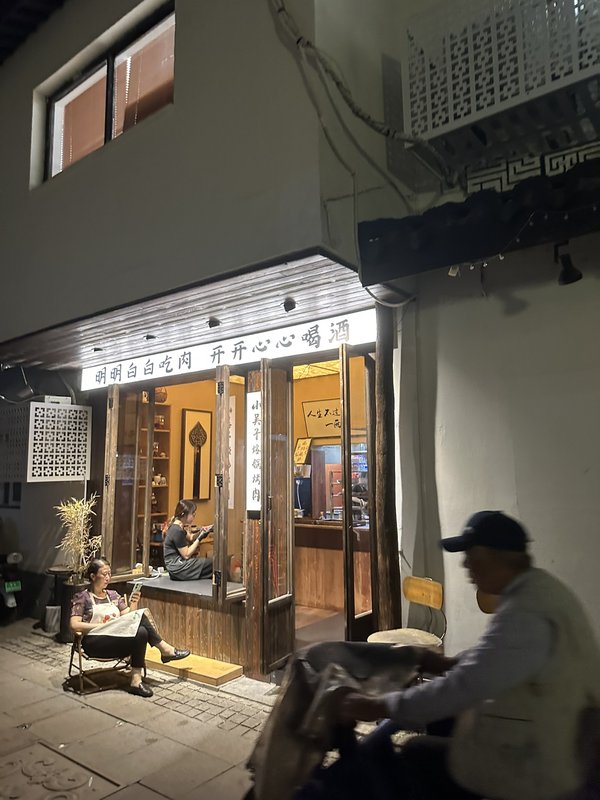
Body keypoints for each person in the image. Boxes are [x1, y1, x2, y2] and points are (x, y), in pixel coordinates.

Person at [327, 511, 600, 800]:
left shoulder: (525, 614)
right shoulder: (537, 589)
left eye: (473, 556)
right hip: (548, 731)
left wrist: (377, 706)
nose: (465, 564)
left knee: (415, 751)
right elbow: (497, 657)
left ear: (498, 557)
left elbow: (466, 686)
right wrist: (449, 663)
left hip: (541, 761)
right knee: (441, 720)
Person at [70, 558, 190, 697]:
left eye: (109, 574)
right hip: (95, 643)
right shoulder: (83, 597)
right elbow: (74, 624)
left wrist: (134, 603)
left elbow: (130, 617)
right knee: (140, 622)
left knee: (141, 631)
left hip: (116, 640)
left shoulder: (113, 595)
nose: (108, 577)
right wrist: (102, 626)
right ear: (93, 576)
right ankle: (165, 650)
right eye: (104, 574)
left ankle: (136, 681)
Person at [163, 499, 213, 581]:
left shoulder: (178, 526)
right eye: (192, 514)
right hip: (178, 567)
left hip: (177, 567)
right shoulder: (176, 530)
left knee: (209, 564)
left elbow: (191, 537)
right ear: (184, 514)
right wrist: (200, 538)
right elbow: (186, 555)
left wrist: (204, 531)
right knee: (212, 564)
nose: (194, 516)